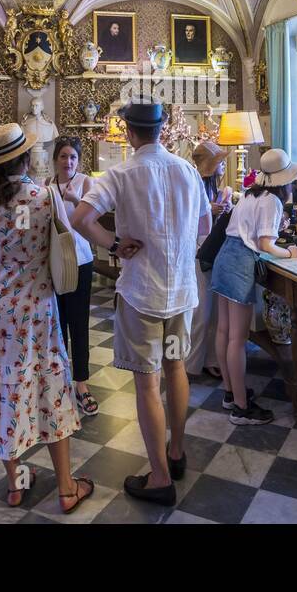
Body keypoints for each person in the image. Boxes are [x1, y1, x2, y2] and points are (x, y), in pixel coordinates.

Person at [71, 100, 211, 506]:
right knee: (176, 367)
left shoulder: (121, 173)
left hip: (141, 293)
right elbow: (204, 226)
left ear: (129, 133)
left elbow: (82, 218)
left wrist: (114, 244)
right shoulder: (187, 170)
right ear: (162, 130)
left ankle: (160, 478)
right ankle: (177, 452)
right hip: (182, 291)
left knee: (148, 382)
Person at [0, 123, 94, 513]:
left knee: (4, 388)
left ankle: (16, 483)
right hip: (35, 306)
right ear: (27, 158)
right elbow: (66, 244)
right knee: (51, 386)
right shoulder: (45, 196)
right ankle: (67, 488)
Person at [210, 148, 297, 425]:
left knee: (224, 331)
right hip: (240, 264)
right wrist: (290, 253)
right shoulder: (272, 201)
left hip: (224, 256)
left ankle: (230, 392)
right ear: (285, 180)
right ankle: (241, 407)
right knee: (237, 338)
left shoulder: (251, 194)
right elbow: (265, 245)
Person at [50, 136, 98, 417]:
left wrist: (75, 200)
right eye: (63, 156)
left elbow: (94, 218)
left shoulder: (86, 183)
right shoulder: (46, 185)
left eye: (73, 158)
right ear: (55, 158)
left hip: (81, 261)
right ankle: (57, 378)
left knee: (79, 324)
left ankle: (81, 384)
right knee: (57, 322)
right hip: (56, 262)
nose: (68, 162)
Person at [187, 140, 231, 379]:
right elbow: (185, 219)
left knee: (213, 310)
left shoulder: (214, 187)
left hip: (213, 249)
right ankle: (192, 361)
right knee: (201, 310)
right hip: (198, 251)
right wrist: (208, 212)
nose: (223, 165)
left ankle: (211, 358)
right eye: (220, 162)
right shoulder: (195, 186)